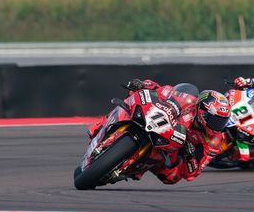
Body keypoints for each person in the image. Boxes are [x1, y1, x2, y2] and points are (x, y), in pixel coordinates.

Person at [88, 79, 230, 184]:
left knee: (172, 177)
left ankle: (136, 168)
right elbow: (162, 89)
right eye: (214, 119)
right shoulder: (188, 100)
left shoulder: (214, 141)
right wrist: (143, 85)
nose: (216, 126)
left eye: (221, 122)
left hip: (170, 147)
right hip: (154, 117)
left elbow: (192, 173)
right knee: (134, 93)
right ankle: (101, 125)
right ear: (202, 110)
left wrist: (190, 155)